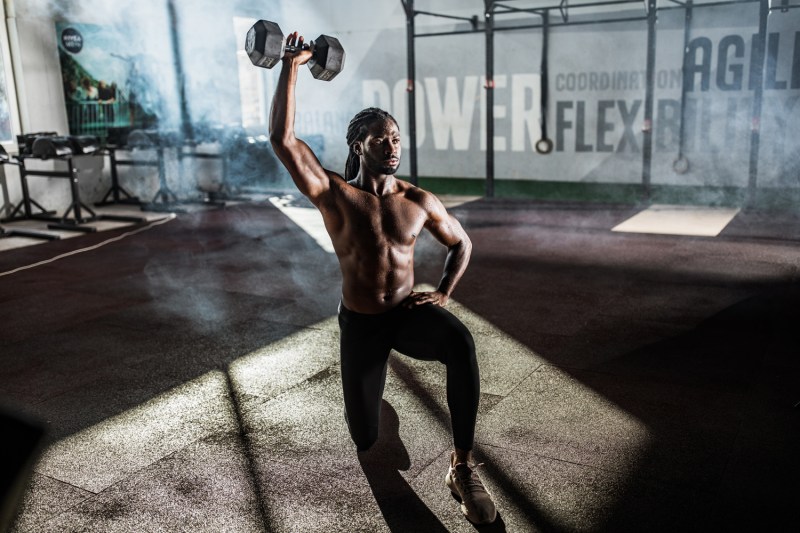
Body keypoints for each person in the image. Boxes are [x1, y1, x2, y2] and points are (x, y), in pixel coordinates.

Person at [268, 31, 497, 526]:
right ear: (360, 146)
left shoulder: (418, 200)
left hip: (405, 316)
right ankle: (375, 403)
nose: (392, 146)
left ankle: (460, 466)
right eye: (381, 140)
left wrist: (442, 293)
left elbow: (462, 243)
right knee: (365, 438)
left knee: (460, 344)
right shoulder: (334, 195)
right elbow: (283, 141)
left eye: (395, 138)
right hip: (362, 324)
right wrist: (291, 64)